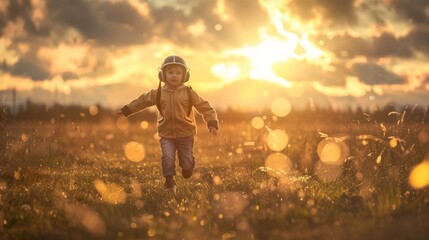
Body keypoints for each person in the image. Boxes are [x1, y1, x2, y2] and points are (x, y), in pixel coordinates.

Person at [118, 55, 219, 190]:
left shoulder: (189, 92)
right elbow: (142, 101)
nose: (174, 75)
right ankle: (169, 182)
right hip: (166, 134)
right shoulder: (158, 93)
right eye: (170, 72)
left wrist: (211, 122)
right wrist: (127, 109)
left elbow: (204, 106)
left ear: (185, 75)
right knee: (168, 158)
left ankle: (188, 166)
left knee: (187, 162)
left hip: (186, 134)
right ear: (162, 74)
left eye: (178, 72)